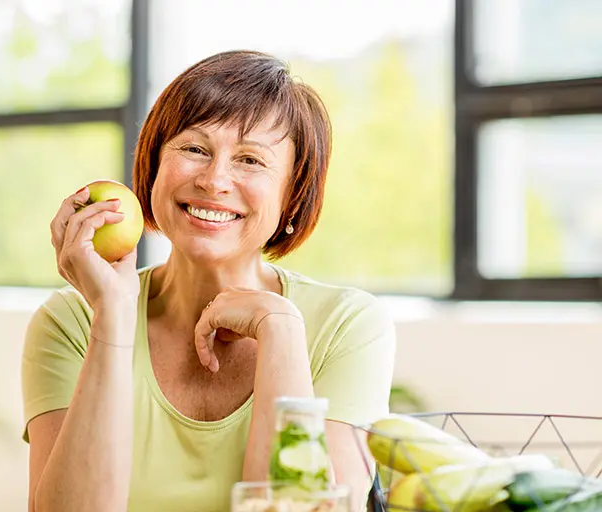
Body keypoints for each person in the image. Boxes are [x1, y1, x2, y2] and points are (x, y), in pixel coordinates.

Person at [21, 50, 396, 512]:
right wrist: (113, 317)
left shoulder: (347, 325)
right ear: (154, 165)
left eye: (251, 160)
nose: (215, 180)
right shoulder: (72, 320)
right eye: (195, 149)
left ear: (292, 196)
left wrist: (279, 329)